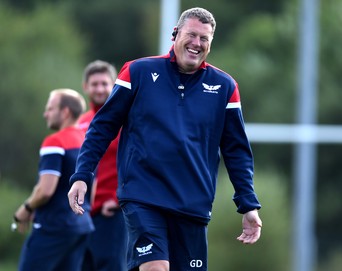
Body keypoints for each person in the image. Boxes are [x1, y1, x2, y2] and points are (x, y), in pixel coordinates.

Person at [68, 7, 262, 271]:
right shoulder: (137, 72)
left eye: (204, 39)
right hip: (143, 196)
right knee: (156, 267)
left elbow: (236, 151)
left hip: (193, 205)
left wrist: (248, 204)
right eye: (191, 35)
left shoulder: (225, 87)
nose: (196, 43)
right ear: (175, 34)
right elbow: (102, 127)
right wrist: (82, 174)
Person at [14, 89, 94, 271]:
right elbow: (92, 188)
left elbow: (45, 190)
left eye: (50, 109)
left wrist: (26, 209)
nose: (45, 114)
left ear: (65, 112)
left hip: (53, 227)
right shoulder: (87, 142)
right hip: (81, 226)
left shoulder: (54, 142)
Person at [79, 60, 128, 271]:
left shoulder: (125, 121)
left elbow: (138, 162)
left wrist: (119, 199)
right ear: (86, 87)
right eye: (95, 84)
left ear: (113, 85)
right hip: (81, 216)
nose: (99, 89)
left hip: (111, 213)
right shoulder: (79, 123)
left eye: (104, 84)